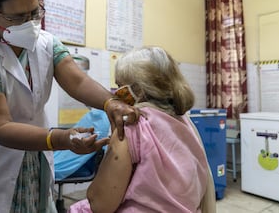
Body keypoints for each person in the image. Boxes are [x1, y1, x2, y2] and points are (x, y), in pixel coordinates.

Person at [0, 0, 137, 213]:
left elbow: (77, 81)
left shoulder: (47, 43)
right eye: (18, 18)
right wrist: (62, 138)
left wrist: (110, 103)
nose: (30, 24)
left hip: (33, 153)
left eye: (34, 13)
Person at [69, 47, 216, 213]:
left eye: (119, 86)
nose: (115, 94)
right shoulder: (186, 122)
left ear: (138, 89)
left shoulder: (133, 124)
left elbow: (99, 203)